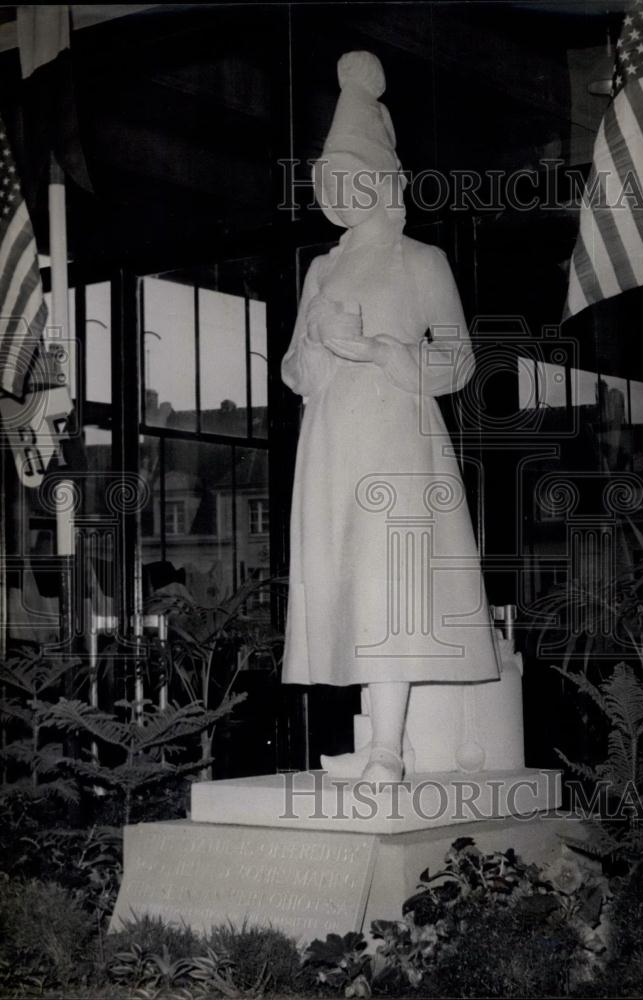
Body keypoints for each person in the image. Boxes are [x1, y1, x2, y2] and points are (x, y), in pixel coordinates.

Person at [281, 51, 501, 782]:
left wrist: (380, 350)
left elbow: (459, 361)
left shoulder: (421, 261)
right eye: (329, 178)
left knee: (392, 581)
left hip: (397, 440)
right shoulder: (321, 268)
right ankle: (378, 733)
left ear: (381, 181)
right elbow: (293, 371)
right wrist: (317, 347)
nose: (340, 191)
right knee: (345, 578)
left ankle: (388, 749)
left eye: (352, 176)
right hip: (332, 441)